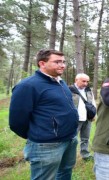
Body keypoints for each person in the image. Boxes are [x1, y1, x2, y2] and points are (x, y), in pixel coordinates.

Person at [9, 49, 79, 179]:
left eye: (64, 62)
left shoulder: (61, 82)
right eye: (57, 62)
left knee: (65, 173)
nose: (62, 65)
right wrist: (38, 134)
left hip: (70, 139)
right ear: (42, 63)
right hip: (46, 145)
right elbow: (16, 122)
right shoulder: (27, 86)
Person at [69, 73, 96, 161]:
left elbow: (93, 102)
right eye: (83, 81)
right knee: (72, 139)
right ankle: (69, 157)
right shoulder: (69, 90)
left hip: (87, 118)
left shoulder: (88, 90)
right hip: (75, 119)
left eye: (87, 81)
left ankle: (85, 155)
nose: (85, 83)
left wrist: (93, 114)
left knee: (85, 138)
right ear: (76, 80)